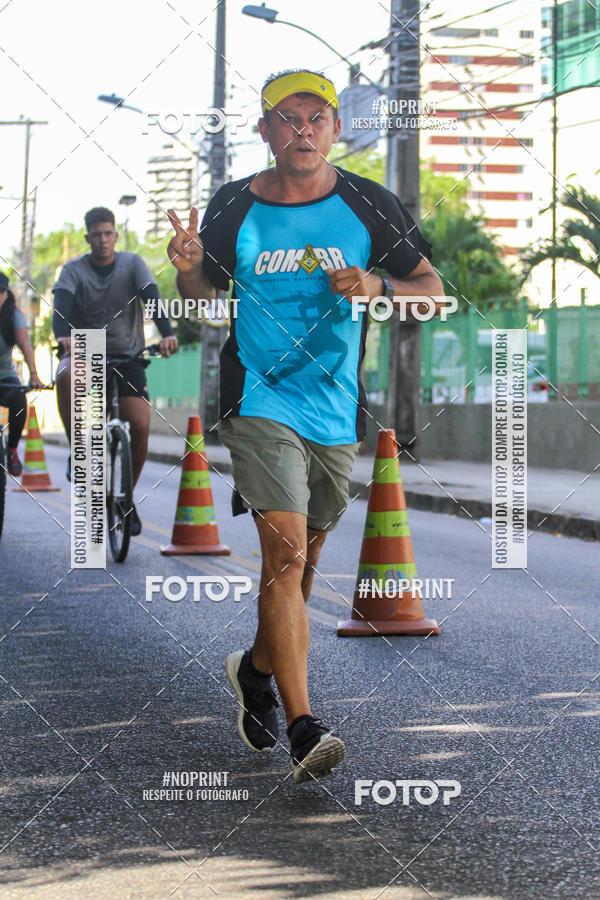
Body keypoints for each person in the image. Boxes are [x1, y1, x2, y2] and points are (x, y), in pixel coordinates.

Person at [167, 69, 444, 782]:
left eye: (316, 117)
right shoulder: (233, 206)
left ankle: (255, 671)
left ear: (336, 128)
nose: (303, 130)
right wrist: (189, 269)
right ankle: (303, 725)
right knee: (285, 556)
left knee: (301, 565)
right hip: (258, 397)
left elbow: (432, 293)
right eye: (287, 118)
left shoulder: (368, 203)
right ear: (264, 130)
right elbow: (202, 296)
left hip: (334, 407)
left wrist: (379, 286)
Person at [52, 206, 178, 534]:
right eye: (96, 235)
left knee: (140, 424)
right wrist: (63, 337)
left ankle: (126, 498)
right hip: (86, 352)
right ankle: (78, 450)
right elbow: (60, 309)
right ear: (88, 238)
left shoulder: (132, 263)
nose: (103, 240)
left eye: (108, 233)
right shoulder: (73, 270)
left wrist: (167, 334)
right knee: (65, 376)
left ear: (116, 235)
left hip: (128, 355)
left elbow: (152, 299)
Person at [0, 272, 44, 476]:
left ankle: (12, 449)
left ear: (5, 294)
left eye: (0, 292)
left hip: (5, 377)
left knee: (19, 399)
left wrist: (33, 375)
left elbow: (25, 344)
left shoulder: (12, 316)